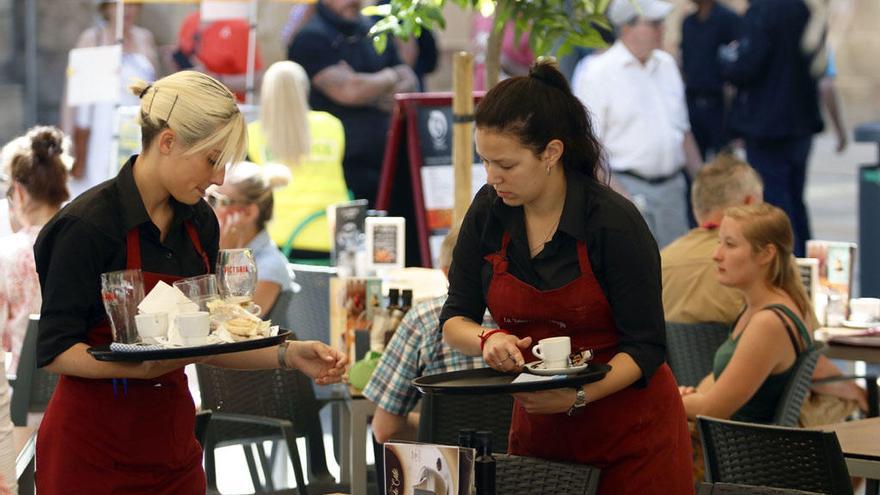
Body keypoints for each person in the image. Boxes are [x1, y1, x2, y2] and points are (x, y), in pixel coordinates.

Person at [33, 70, 347, 494]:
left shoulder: (200, 222)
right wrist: (139, 368)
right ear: (168, 142)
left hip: (173, 448)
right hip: (91, 451)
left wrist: (288, 354)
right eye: (211, 160)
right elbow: (55, 351)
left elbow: (208, 339)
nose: (219, 178)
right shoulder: (86, 227)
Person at [439, 61, 692, 494]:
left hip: (631, 438)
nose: (492, 177)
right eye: (484, 161)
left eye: (506, 164)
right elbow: (454, 319)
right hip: (542, 436)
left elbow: (646, 345)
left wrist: (576, 397)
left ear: (551, 153)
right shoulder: (489, 212)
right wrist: (488, 340)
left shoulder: (612, 223)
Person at [574, 0, 703, 249]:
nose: (662, 29)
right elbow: (590, 146)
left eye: (661, 22)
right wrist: (620, 196)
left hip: (672, 190)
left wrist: (703, 181)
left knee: (673, 272)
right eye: (653, 23)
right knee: (636, 273)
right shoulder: (597, 72)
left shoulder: (666, 65)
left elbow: (683, 132)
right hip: (627, 188)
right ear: (626, 28)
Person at [363, 226, 496, 443]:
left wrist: (442, 430)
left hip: (449, 470)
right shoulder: (531, 318)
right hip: (534, 470)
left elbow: (385, 430)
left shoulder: (424, 319)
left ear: (445, 272)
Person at [720, 0, 827, 257]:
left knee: (777, 207)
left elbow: (748, 64)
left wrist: (726, 61)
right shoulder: (802, 8)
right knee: (795, 202)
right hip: (799, 123)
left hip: (768, 127)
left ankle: (792, 271)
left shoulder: (762, 10)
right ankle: (806, 268)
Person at [288, 0, 418, 206]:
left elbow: (409, 78)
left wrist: (367, 88)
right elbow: (349, 91)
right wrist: (388, 77)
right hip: (343, 166)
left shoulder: (373, 30)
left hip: (390, 158)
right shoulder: (311, 37)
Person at [246, 61, 350, 255]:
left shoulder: (253, 134)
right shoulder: (332, 125)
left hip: (277, 240)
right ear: (304, 89)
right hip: (333, 235)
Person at [68, 0, 158, 198]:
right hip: (100, 128)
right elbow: (73, 94)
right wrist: (69, 136)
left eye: (133, 4)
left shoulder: (145, 38)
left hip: (136, 125)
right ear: (107, 7)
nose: (127, 10)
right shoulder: (92, 38)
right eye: (121, 5)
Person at [0, 127, 70, 375]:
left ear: (18, 191)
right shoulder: (82, 242)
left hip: (22, 403)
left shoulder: (7, 255)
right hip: (80, 393)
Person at [662, 153, 762, 324]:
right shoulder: (766, 260)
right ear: (749, 203)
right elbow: (804, 329)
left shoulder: (660, 262)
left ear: (695, 207)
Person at [206, 161, 292, 318]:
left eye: (214, 200)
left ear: (248, 213)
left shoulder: (268, 267)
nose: (206, 206)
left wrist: (225, 258)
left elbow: (234, 323)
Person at [680, 0, 742, 160]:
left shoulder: (728, 19)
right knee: (693, 161)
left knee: (724, 163)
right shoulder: (688, 22)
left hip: (720, 104)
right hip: (693, 101)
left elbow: (739, 60)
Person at [172, 10, 264, 102]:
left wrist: (212, 79)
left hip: (226, 106)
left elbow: (256, 80)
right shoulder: (191, 20)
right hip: (190, 101)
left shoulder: (238, 27)